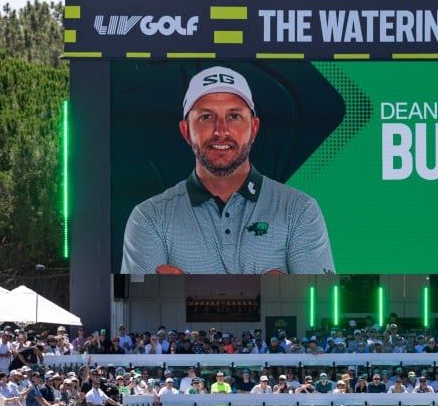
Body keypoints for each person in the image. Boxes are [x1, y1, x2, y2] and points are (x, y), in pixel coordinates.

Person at [121, 66, 335, 274]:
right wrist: (271, 297)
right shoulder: (150, 218)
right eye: (206, 117)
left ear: (254, 128)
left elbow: (318, 307)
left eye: (234, 116)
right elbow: (137, 310)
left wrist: (180, 299)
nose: (221, 131)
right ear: (186, 131)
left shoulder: (298, 210)